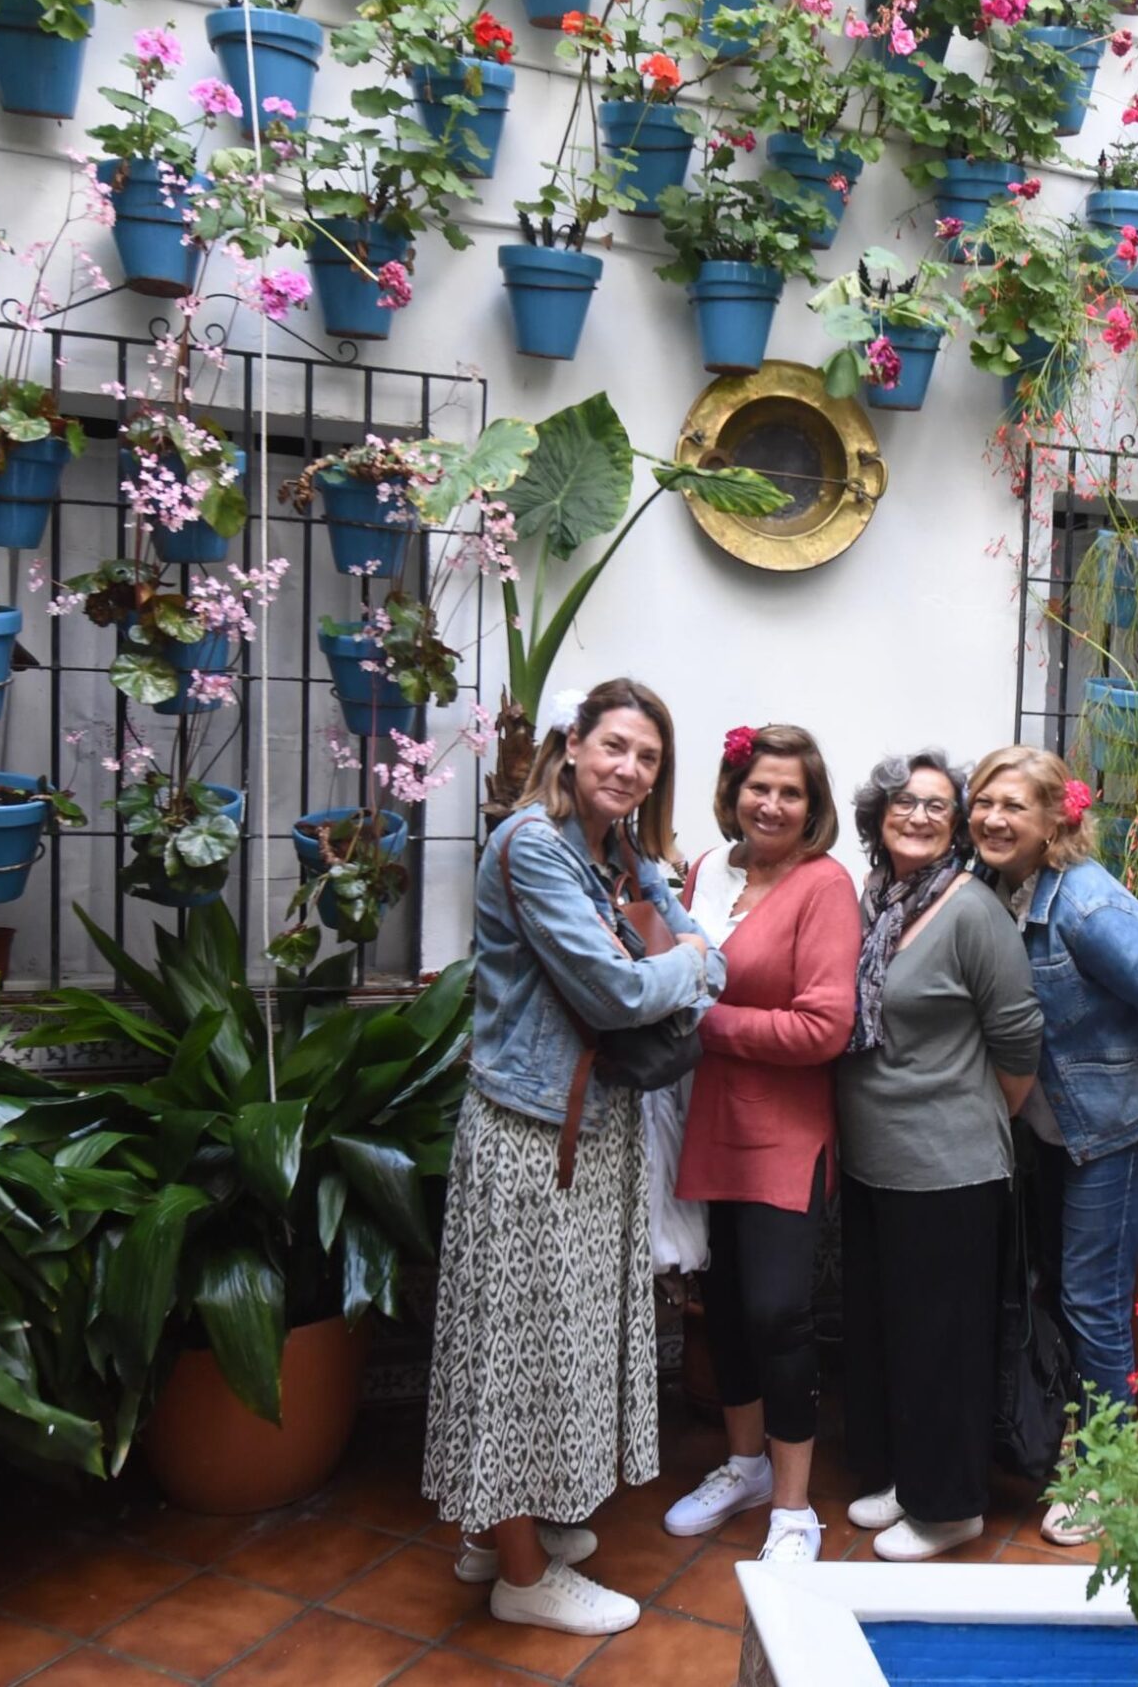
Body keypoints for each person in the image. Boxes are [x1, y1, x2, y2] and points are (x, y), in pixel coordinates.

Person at [421, 680, 724, 1637]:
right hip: (530, 1139)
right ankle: (520, 1576)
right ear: (573, 744)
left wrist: (676, 957)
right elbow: (613, 990)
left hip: (590, 1133)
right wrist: (698, 965)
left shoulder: (618, 850)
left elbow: (665, 940)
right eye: (616, 747)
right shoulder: (532, 846)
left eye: (647, 757)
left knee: (553, 1347)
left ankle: (499, 1533)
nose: (630, 769)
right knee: (514, 1350)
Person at [966, 745, 1138, 1546]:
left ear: (1054, 821)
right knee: (1060, 1292)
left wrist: (1129, 1068)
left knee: (1092, 1299)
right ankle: (1076, 1441)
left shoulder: (1086, 910)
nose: (994, 818)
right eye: (984, 802)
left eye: (1014, 806)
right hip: (1051, 1125)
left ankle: (1109, 1477)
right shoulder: (996, 891)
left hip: (1108, 1125)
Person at [835, 750, 1044, 1562]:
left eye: (936, 805)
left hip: (950, 1163)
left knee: (945, 1342)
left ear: (955, 824)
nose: (919, 816)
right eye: (904, 802)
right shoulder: (876, 900)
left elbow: (1018, 1034)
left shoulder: (970, 911)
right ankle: (909, 1478)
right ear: (877, 816)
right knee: (893, 1332)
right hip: (873, 1156)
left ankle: (951, 1504)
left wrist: (983, 1110)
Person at [661, 724, 861, 1564]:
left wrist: (706, 1020)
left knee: (781, 1311)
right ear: (733, 789)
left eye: (790, 792)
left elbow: (825, 1026)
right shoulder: (708, 871)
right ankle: (742, 1466)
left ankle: (793, 1507)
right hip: (707, 1116)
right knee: (728, 1307)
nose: (771, 804)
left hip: (784, 1125)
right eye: (757, 786)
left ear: (811, 807)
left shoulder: (825, 887)